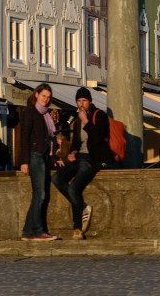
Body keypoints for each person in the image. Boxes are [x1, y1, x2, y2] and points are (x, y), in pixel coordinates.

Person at [51, 87, 111, 240]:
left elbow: (98, 138)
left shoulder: (100, 116)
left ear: (90, 101)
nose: (81, 104)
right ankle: (82, 206)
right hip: (80, 157)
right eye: (79, 101)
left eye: (84, 100)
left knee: (73, 189)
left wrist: (86, 121)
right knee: (57, 178)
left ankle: (77, 228)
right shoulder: (77, 120)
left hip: (94, 159)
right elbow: (77, 142)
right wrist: (72, 153)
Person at [18, 84, 60, 241]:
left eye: (48, 97)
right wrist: (24, 161)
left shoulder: (45, 115)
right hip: (34, 157)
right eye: (43, 96)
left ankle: (27, 231)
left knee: (39, 194)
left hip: (42, 157)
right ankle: (37, 231)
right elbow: (24, 136)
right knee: (40, 194)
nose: (46, 99)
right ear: (36, 95)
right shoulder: (30, 112)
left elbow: (49, 138)